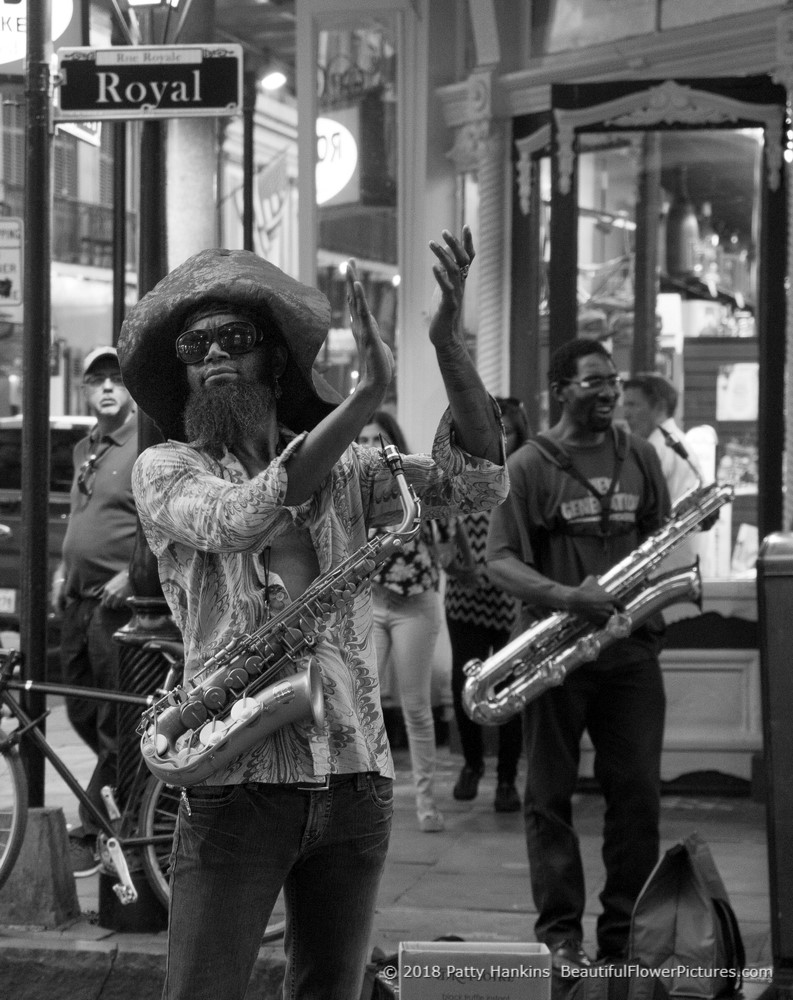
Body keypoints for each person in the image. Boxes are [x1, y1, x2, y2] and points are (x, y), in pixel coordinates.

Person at [116, 228, 508, 1000]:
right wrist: (366, 396)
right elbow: (236, 519)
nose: (214, 356)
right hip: (238, 778)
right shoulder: (165, 467)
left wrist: (446, 344)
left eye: (237, 337)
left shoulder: (356, 468)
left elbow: (475, 485)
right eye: (195, 347)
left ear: (276, 357)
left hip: (356, 773)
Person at [486, 337, 671, 971]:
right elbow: (498, 560)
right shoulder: (528, 467)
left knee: (638, 798)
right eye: (593, 381)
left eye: (613, 382)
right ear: (560, 388)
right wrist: (568, 596)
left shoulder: (641, 455)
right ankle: (561, 938)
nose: (609, 392)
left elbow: (658, 537)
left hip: (630, 654)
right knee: (548, 799)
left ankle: (624, 938)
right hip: (555, 660)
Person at [51, 346, 138, 876]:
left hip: (115, 604)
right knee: (80, 711)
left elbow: (154, 520)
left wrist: (133, 575)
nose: (106, 387)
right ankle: (112, 800)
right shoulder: (87, 447)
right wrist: (64, 566)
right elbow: (81, 514)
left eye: (116, 378)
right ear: (84, 390)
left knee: (112, 719)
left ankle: (95, 827)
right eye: (96, 379)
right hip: (78, 602)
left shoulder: (142, 444)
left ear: (130, 390)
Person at [358, 410, 447, 832]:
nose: (370, 448)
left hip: (415, 603)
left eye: (378, 440)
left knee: (416, 706)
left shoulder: (418, 483)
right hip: (372, 602)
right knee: (364, 702)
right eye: (362, 439)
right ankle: (370, 799)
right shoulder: (352, 488)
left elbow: (445, 546)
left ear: (392, 443)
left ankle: (427, 802)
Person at [445, 396, 530, 813]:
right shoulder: (460, 473)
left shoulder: (525, 474)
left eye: (509, 431)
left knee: (510, 685)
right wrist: (457, 566)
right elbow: (442, 535)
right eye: (495, 431)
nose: (501, 439)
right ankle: (472, 764)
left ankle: (508, 778)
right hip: (465, 596)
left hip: (511, 595)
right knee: (465, 681)